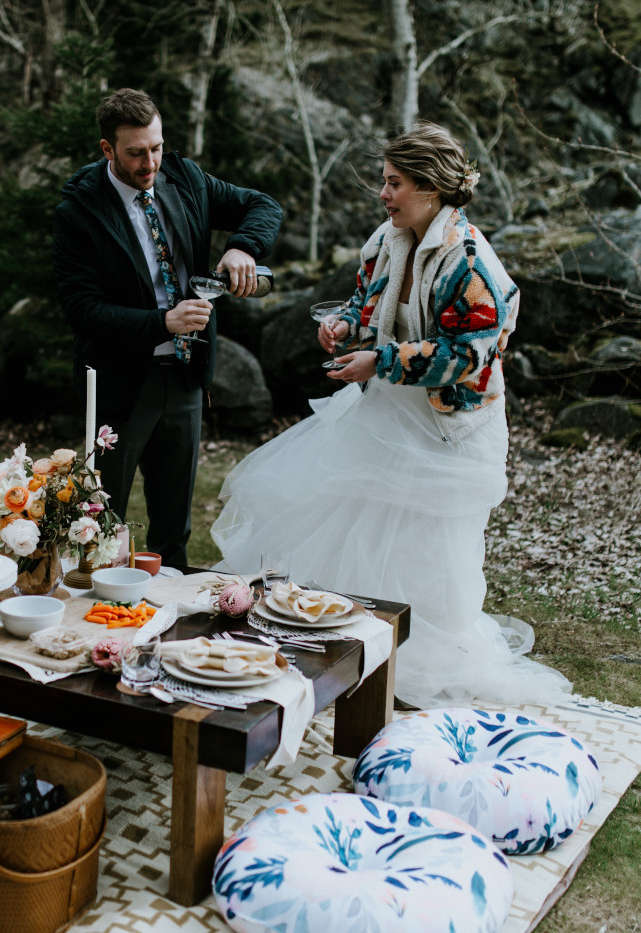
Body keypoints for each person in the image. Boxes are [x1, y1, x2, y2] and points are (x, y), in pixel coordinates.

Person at [211, 121, 572, 710]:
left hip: (446, 429)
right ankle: (344, 655)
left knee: (425, 549)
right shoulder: (386, 239)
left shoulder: (474, 263)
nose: (384, 194)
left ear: (431, 188)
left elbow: (465, 356)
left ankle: (420, 666)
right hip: (384, 413)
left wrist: (376, 359)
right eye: (384, 181)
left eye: (394, 183)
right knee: (354, 530)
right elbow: (366, 303)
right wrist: (344, 325)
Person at [54, 88, 282, 570]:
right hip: (117, 382)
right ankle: (99, 630)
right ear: (107, 149)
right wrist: (162, 322)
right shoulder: (79, 209)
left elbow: (262, 205)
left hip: (185, 375)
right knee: (99, 522)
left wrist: (243, 247)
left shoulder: (185, 177)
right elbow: (82, 310)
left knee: (173, 528)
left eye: (155, 147)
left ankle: (164, 631)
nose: (150, 162)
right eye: (135, 152)